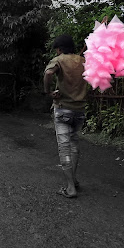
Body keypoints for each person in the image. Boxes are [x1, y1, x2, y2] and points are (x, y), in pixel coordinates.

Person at [43, 34, 87, 198]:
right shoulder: (83, 61)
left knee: (64, 148)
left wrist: (48, 92)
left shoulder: (59, 60)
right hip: (80, 110)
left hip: (63, 109)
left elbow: (48, 74)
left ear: (59, 49)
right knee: (74, 145)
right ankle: (73, 180)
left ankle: (70, 188)